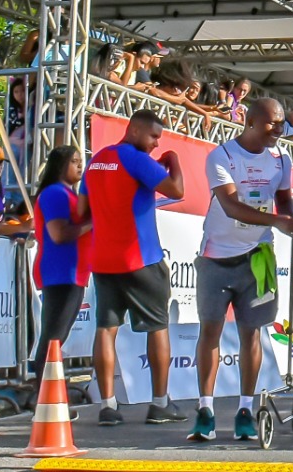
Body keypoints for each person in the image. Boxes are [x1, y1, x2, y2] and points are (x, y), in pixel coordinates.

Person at [189, 99, 293, 443]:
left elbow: (283, 199)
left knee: (251, 334)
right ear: (250, 121)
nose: (279, 129)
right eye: (272, 123)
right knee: (210, 331)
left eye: (282, 123)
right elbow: (231, 206)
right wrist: (279, 221)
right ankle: (205, 410)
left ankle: (245, 410)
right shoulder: (221, 156)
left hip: (257, 256)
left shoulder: (281, 159)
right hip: (216, 256)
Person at [78, 109, 186, 426]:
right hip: (141, 259)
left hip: (103, 260)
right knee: (158, 327)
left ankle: (107, 406)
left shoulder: (96, 161)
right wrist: (173, 160)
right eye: (153, 136)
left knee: (105, 329)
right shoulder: (136, 159)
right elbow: (177, 190)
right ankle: (160, 403)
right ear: (135, 130)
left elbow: (83, 211)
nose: (156, 144)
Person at [30, 145, 91, 386]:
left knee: (57, 336)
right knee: (53, 337)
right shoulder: (55, 193)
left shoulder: (68, 194)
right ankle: (43, 393)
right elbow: (59, 234)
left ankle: (48, 390)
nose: (80, 165)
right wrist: (92, 222)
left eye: (80, 160)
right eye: (74, 161)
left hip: (72, 273)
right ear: (59, 165)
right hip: (61, 272)